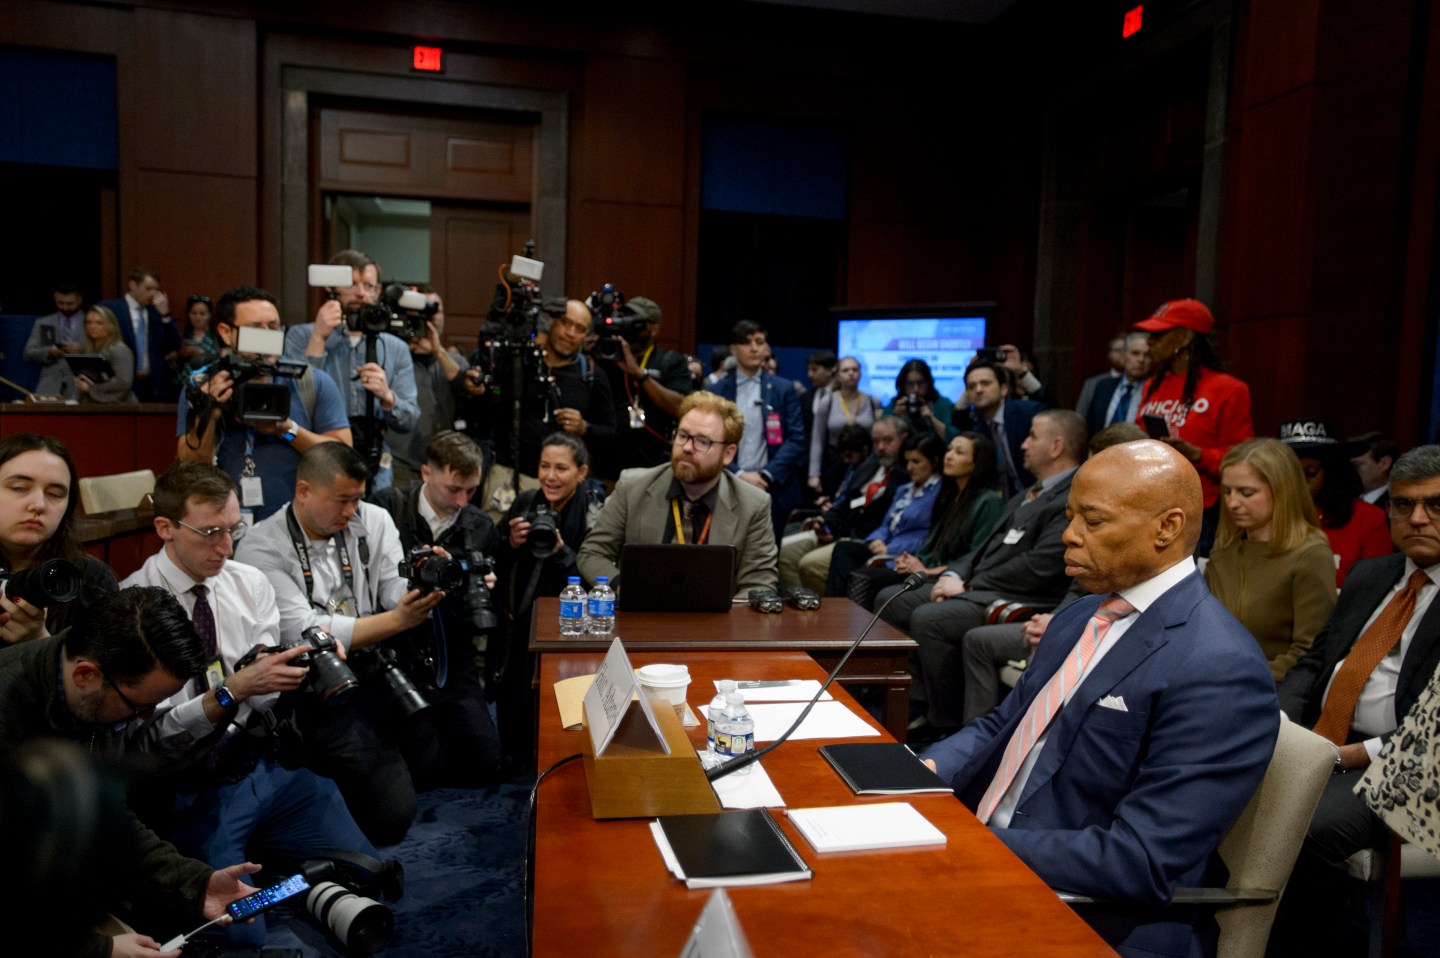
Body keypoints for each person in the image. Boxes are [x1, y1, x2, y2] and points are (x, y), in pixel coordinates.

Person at [921, 439, 1279, 958]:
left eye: (1093, 520)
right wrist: (922, 768)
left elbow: (1141, 860)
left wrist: (966, 844)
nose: (1069, 535)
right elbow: (1004, 723)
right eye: (1069, 517)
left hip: (1086, 914)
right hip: (990, 861)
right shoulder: (1081, 615)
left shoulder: (1219, 667)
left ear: (1168, 528)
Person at [121, 462, 380, 947]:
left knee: (370, 874)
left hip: (262, 767)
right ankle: (285, 879)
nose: (226, 547)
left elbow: (260, 698)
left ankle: (290, 879)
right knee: (243, 939)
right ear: (166, 528)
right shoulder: (132, 606)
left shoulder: (249, 583)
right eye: (211, 532)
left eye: (234, 530)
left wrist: (295, 672)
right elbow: (147, 739)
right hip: (189, 786)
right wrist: (232, 691)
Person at [0, 586, 262, 954]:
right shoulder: (9, 708)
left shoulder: (89, 689)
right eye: (139, 706)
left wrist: (196, 883)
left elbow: (108, 817)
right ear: (86, 676)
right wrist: (101, 949)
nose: (143, 718)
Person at [1269, 445, 1440, 957]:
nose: (1417, 519)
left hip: (1411, 764)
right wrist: (1279, 720)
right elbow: (1314, 664)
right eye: (1403, 505)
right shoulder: (1372, 575)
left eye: (1435, 505)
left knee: (1303, 823)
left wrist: (1354, 755)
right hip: (1326, 740)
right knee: (1219, 780)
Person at [234, 442, 447, 845]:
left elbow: (391, 589)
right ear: (303, 491)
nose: (352, 512)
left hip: (375, 661)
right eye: (342, 501)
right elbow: (302, 627)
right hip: (314, 681)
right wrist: (397, 620)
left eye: (357, 499)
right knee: (391, 819)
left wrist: (422, 583)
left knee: (434, 755)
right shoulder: (261, 545)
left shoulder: (373, 518)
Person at [879, 409, 1085, 735]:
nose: (1023, 445)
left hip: (1018, 595)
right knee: (892, 599)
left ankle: (942, 722)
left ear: (1056, 446)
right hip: (982, 585)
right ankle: (915, 701)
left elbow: (1040, 566)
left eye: (1032, 436)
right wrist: (955, 575)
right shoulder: (1030, 492)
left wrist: (970, 585)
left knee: (929, 618)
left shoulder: (1071, 496)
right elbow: (983, 549)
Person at [369, 429, 504, 787]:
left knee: (486, 764)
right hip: (395, 651)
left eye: (471, 491)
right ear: (426, 473)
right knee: (425, 771)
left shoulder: (480, 525)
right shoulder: (386, 508)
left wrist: (479, 584)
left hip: (452, 655)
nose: (462, 501)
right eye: (453, 489)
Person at [176, 285, 351, 523]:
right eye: (256, 329)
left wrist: (286, 430)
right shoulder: (203, 385)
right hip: (226, 526)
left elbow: (342, 458)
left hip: (297, 526)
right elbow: (190, 466)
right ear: (226, 332)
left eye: (274, 327)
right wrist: (211, 412)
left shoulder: (310, 381)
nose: (268, 336)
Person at [577, 391, 778, 594]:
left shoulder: (753, 505)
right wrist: (623, 586)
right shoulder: (633, 486)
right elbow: (592, 553)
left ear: (728, 454)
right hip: (643, 617)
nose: (688, 447)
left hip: (713, 621)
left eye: (702, 441)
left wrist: (723, 619)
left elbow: (759, 583)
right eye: (683, 436)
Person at [495, 431, 604, 761]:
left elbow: (594, 579)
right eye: (544, 466)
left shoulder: (593, 512)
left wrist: (560, 552)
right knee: (513, 700)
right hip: (520, 621)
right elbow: (495, 556)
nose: (550, 477)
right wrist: (510, 541)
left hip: (567, 627)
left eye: (561, 468)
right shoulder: (527, 501)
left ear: (581, 473)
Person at [283, 249, 419, 491]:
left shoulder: (395, 347)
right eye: (352, 284)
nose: (361, 293)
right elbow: (294, 406)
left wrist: (388, 398)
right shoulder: (300, 336)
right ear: (330, 287)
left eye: (370, 286)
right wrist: (317, 339)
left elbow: (409, 419)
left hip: (377, 466)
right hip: (316, 459)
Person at [1203, 438, 1338, 682]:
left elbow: (1309, 651)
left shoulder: (1310, 554)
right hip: (1213, 679)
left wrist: (1240, 676)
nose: (1232, 502)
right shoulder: (1224, 549)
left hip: (1268, 689)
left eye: (1246, 492)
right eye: (1227, 491)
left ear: (1281, 491)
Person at [472, 298, 617, 520]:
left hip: (562, 487)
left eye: (579, 329)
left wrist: (584, 427)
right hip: (507, 475)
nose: (570, 333)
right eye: (565, 323)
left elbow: (610, 433)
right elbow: (490, 403)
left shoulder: (591, 374)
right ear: (551, 323)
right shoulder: (521, 361)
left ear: (586, 335)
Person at [1132, 298, 1253, 557]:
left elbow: (1244, 460)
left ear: (1185, 338)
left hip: (1200, 513)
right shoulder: (1152, 385)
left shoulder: (1228, 389)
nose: (1149, 342)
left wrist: (1197, 454)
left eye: (1159, 334)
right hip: (1150, 504)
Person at [843, 432, 1005, 609]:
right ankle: (849, 633)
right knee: (860, 574)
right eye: (949, 450)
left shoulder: (988, 501)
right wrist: (911, 560)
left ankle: (857, 634)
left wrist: (927, 571)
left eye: (959, 452)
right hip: (928, 568)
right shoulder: (951, 495)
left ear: (977, 463)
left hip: (953, 577)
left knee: (875, 586)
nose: (949, 456)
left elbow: (977, 558)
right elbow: (932, 543)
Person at [0, 433, 119, 641]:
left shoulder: (90, 579)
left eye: (55, 494)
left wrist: (39, 639)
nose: (38, 504)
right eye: (19, 488)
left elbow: (102, 671)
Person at [781, 415, 912, 594]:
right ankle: (798, 606)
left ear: (904, 439)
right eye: (876, 441)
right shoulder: (870, 466)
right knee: (785, 553)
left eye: (888, 440)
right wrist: (826, 524)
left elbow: (880, 520)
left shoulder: (906, 475)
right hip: (837, 530)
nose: (881, 447)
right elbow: (844, 503)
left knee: (809, 565)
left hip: (861, 539)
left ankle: (820, 610)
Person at [710, 319, 807, 538]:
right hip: (729, 482)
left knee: (767, 557)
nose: (754, 348)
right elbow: (711, 440)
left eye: (759, 342)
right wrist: (740, 474)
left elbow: (797, 438)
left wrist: (766, 474)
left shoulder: (784, 389)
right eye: (747, 342)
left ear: (766, 348)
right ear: (734, 349)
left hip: (771, 487)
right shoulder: (717, 391)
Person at [823, 433, 944, 599]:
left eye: (916, 461)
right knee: (844, 549)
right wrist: (877, 539)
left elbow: (929, 536)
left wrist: (890, 549)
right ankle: (835, 606)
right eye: (907, 461)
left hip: (906, 554)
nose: (909, 467)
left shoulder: (940, 493)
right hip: (884, 546)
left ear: (934, 461)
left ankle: (845, 613)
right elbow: (886, 524)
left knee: (860, 574)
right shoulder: (905, 489)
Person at [1277, 419, 1392, 586]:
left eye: (1310, 473)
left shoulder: (1369, 518)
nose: (1298, 482)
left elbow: (1375, 588)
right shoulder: (1263, 513)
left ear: (1332, 472)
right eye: (1288, 473)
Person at [591, 295, 694, 481]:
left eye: (636, 322)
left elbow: (682, 407)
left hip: (653, 470)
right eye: (624, 319)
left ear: (654, 329)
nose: (628, 327)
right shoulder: (605, 356)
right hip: (606, 470)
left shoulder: (671, 361)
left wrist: (639, 375)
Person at [387, 285, 469, 488]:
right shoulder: (393, 357)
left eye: (434, 310)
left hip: (441, 466)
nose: (429, 317)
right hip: (399, 464)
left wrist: (438, 351)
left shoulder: (455, 360)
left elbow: (464, 388)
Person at [951, 360, 1047, 498]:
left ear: (1003, 389)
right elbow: (956, 417)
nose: (978, 390)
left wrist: (1021, 371)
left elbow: (1056, 412)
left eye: (985, 383)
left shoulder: (1027, 413)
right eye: (972, 386)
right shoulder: (977, 426)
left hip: (1040, 496)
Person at [97, 266, 181, 402]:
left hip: (153, 385)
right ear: (132, 285)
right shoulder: (111, 308)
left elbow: (175, 344)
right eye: (148, 289)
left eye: (156, 290)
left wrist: (166, 315)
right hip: (123, 383)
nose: (153, 294)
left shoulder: (157, 312)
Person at [808, 356, 883, 492]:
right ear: (837, 375)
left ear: (860, 374)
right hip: (835, 461)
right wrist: (814, 474)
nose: (851, 373)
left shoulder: (873, 402)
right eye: (845, 370)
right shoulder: (828, 401)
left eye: (855, 369)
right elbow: (817, 438)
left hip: (865, 462)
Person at [23, 281, 86, 397]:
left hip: (81, 387)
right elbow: (28, 353)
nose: (65, 307)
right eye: (60, 303)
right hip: (49, 387)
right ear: (55, 298)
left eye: (70, 303)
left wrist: (82, 350)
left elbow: (104, 352)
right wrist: (49, 352)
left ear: (79, 300)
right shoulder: (44, 323)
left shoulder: (92, 322)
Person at [1080, 331, 1149, 437]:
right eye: (1135, 353)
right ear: (1124, 355)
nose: (1141, 359)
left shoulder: (1155, 390)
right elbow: (1089, 427)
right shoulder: (1103, 386)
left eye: (1147, 355)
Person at [74, 304, 137, 404]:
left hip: (118, 406)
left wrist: (91, 389)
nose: (92, 326)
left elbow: (123, 382)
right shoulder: (88, 350)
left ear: (110, 325)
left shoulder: (119, 350)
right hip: (91, 404)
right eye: (89, 322)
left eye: (99, 323)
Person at [884, 358, 956, 443]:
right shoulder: (896, 405)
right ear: (903, 385)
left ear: (928, 382)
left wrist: (931, 419)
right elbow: (882, 437)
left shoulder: (943, 404)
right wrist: (895, 417)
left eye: (920, 383)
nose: (916, 389)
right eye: (910, 384)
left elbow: (953, 438)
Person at [1072, 333, 1126, 416]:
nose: (1122, 354)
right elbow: (1081, 415)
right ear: (1109, 354)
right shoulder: (1093, 384)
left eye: (1125, 350)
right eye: (1118, 350)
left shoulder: (1142, 384)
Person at [1349, 431, 1397, 508]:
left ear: (1384, 463)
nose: (1350, 471)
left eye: (1357, 465)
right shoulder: (1345, 502)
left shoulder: (1398, 507)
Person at [176, 293, 221, 366]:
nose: (198, 317)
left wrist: (204, 354)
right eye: (194, 313)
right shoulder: (181, 335)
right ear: (188, 314)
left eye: (202, 314)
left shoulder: (219, 337)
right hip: (184, 375)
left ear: (210, 315)